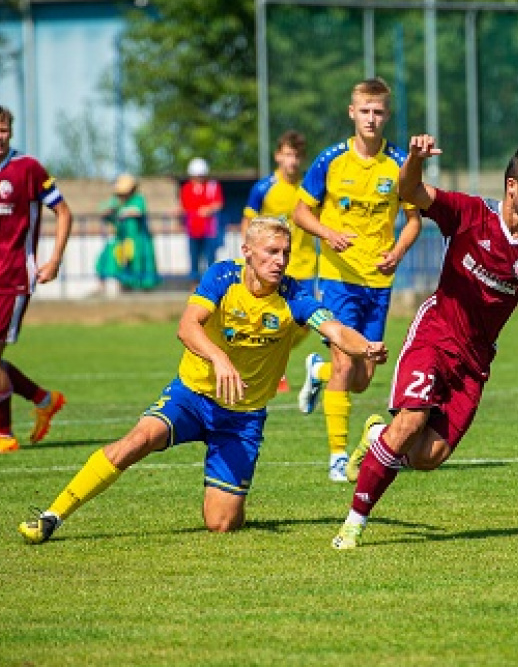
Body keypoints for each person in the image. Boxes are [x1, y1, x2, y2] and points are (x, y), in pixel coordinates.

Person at [18, 216, 388, 545]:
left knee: (222, 523)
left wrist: (367, 347)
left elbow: (336, 330)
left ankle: (230, 491)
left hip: (242, 418)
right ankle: (51, 517)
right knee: (137, 440)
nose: (280, 260)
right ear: (247, 251)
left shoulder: (293, 294)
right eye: (271, 251)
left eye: (285, 253)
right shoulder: (222, 276)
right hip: (192, 397)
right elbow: (187, 326)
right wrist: (219, 358)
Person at [330, 134, 518, 549]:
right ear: (512, 187)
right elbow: (409, 190)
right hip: (434, 336)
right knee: (411, 422)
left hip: (474, 363)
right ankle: (353, 524)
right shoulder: (469, 213)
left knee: (426, 457)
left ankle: (377, 435)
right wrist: (415, 159)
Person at [292, 78, 422, 483]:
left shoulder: (399, 164)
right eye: (364, 110)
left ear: (386, 115)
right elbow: (300, 212)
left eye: (378, 111)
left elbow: (414, 220)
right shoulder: (331, 160)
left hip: (377, 283)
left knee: (363, 379)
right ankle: (336, 455)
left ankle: (317, 373)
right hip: (337, 278)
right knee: (346, 362)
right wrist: (328, 235)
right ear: (352, 112)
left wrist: (397, 253)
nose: (371, 118)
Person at [0, 105, 72, 453]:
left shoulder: (27, 168)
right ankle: (43, 400)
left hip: (12, 277)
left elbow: (63, 211)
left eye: (1, 129)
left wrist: (54, 259)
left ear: (10, 131)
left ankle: (4, 434)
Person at [241, 131, 315, 392]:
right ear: (277, 156)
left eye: (296, 155)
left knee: (305, 324)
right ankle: (275, 370)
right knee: (275, 318)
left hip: (306, 265)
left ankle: (272, 359)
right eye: (286, 154)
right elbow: (248, 221)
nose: (291, 161)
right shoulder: (264, 187)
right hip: (273, 266)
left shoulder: (308, 188)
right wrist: (249, 255)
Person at [95, 172, 160, 291]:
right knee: (107, 259)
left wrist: (125, 212)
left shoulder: (138, 199)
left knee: (138, 264)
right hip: (121, 240)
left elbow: (138, 210)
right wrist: (110, 211)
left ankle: (141, 288)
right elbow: (102, 210)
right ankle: (106, 286)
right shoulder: (115, 201)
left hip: (138, 240)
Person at [179, 157, 224, 283]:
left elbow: (218, 203)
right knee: (194, 257)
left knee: (210, 257)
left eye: (201, 175)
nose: (198, 178)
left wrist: (209, 209)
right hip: (192, 229)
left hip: (209, 229)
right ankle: (194, 283)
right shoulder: (186, 188)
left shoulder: (212, 186)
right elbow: (183, 207)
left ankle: (211, 283)